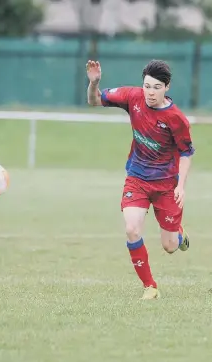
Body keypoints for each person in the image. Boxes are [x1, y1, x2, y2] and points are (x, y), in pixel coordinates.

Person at [86, 59, 195, 300]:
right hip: (137, 178)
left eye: (156, 87)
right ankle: (150, 287)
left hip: (166, 185)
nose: (150, 92)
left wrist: (181, 186)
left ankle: (178, 233)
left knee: (170, 246)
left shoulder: (176, 118)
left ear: (167, 87)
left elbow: (186, 152)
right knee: (132, 229)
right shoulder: (132, 97)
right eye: (147, 86)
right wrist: (94, 83)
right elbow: (94, 100)